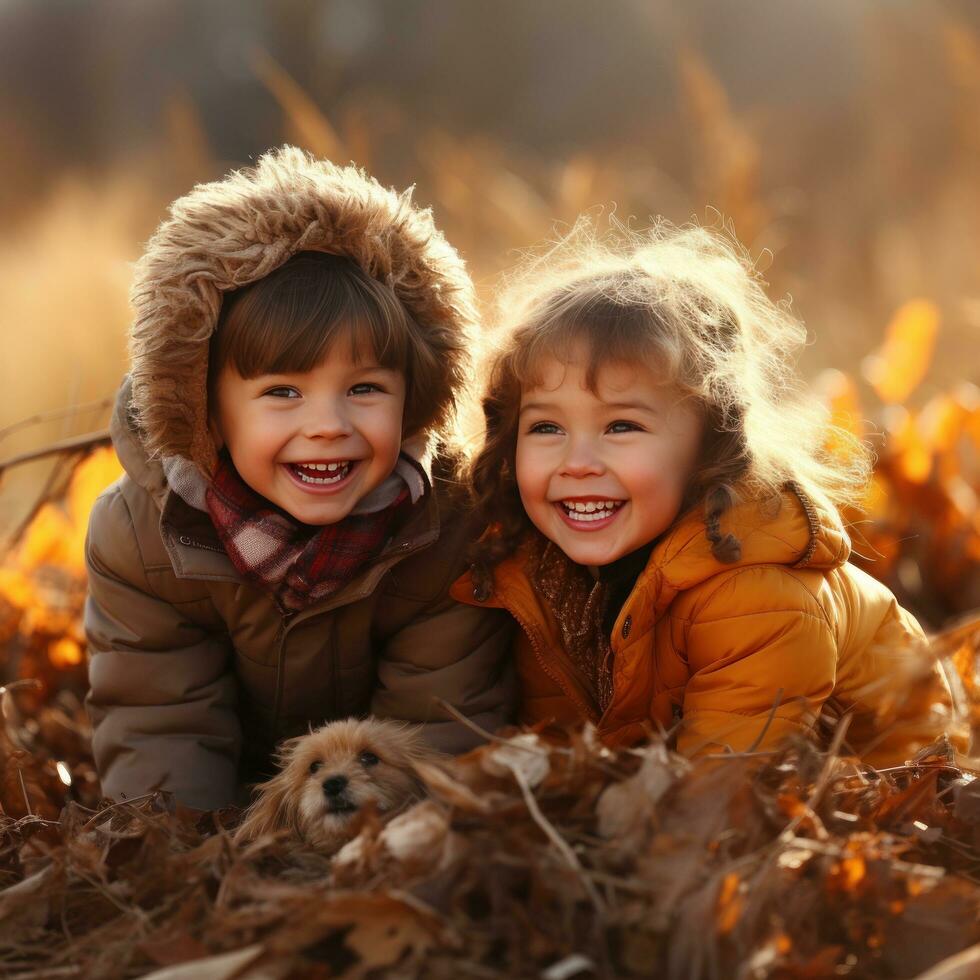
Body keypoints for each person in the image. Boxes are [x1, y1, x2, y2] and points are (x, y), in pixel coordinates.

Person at [85, 147, 514, 810]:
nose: (327, 425)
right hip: (237, 789)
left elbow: (436, 728)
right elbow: (159, 722)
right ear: (206, 411)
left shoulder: (444, 523)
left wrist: (401, 850)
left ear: (415, 397)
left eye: (365, 388)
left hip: (372, 797)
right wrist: (184, 868)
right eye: (283, 392)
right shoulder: (145, 536)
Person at [451, 220, 964, 766]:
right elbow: (561, 748)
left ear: (709, 446)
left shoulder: (758, 592)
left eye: (621, 426)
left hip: (886, 791)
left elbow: (722, 792)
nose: (577, 463)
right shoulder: (544, 577)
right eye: (546, 428)